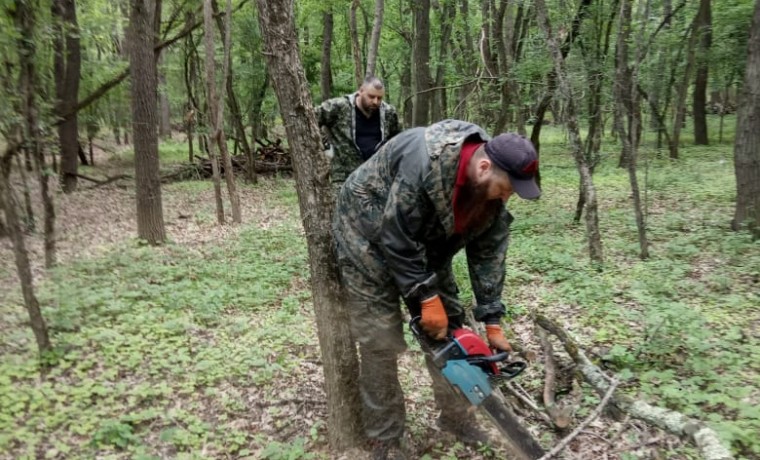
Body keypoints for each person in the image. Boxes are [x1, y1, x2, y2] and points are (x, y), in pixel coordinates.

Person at [332, 119, 541, 459]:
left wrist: (491, 320)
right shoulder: (426, 161)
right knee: (379, 338)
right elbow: (395, 233)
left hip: (427, 241)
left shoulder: (490, 193)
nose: (508, 195)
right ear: (484, 167)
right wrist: (425, 297)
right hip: (366, 232)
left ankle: (456, 417)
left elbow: (489, 254)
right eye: (507, 187)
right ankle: (386, 439)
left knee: (453, 330)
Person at [315, 76, 401, 195]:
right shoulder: (339, 107)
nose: (376, 102)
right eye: (371, 96)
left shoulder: (389, 113)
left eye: (379, 98)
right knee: (342, 212)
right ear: (360, 91)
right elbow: (309, 119)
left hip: (376, 177)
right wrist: (321, 144)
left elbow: (398, 140)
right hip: (344, 178)